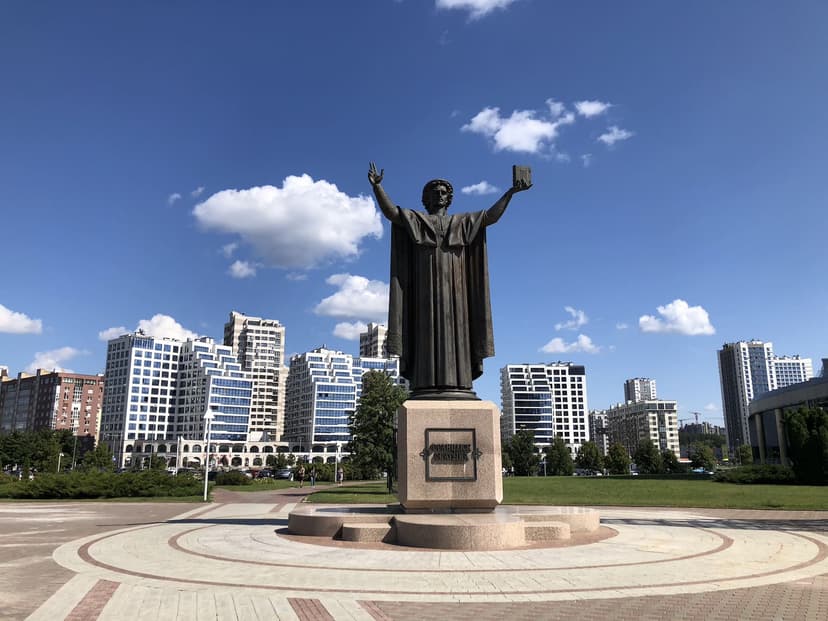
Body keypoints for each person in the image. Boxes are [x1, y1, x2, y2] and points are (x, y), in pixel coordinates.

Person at [368, 162, 531, 399]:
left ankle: (459, 383)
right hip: (424, 291)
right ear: (426, 199)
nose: (439, 195)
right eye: (434, 192)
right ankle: (425, 384)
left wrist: (510, 193)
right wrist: (378, 188)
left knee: (459, 333)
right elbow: (392, 213)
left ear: (449, 198)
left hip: (457, 292)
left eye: (443, 192)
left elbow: (489, 217)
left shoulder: (462, 223)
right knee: (424, 333)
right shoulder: (417, 221)